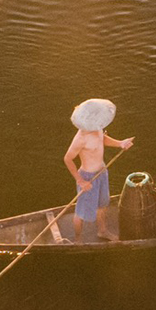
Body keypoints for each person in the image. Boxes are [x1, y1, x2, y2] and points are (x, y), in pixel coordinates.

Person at [59, 97, 133, 243]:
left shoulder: (96, 127)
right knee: (81, 212)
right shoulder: (80, 139)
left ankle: (102, 230)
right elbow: (67, 159)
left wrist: (120, 144)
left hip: (102, 173)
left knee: (103, 204)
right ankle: (78, 239)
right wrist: (80, 181)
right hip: (87, 177)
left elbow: (103, 139)